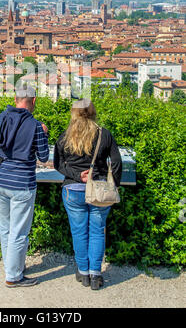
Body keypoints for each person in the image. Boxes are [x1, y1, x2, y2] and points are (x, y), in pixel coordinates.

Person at [0, 86, 49, 288]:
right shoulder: (36, 125)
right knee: (19, 231)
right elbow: (44, 158)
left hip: (1, 182)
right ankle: (13, 276)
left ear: (15, 98)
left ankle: (11, 266)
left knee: (6, 228)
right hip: (22, 185)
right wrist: (44, 134)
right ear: (34, 101)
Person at [54, 99, 122, 290]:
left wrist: (78, 176)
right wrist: (113, 185)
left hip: (73, 190)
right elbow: (116, 162)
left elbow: (58, 165)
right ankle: (95, 275)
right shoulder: (104, 134)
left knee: (79, 232)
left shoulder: (64, 137)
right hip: (100, 190)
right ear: (93, 112)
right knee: (97, 231)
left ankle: (83, 272)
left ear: (73, 113)